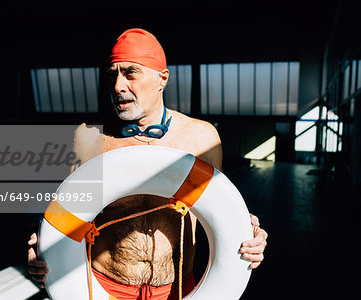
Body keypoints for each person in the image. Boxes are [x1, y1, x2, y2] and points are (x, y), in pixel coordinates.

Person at [28, 28, 268, 299]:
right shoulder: (88, 138)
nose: (118, 86)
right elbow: (66, 210)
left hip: (177, 289)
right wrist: (43, 243)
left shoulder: (201, 138)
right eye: (112, 74)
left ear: (162, 79)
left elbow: (223, 208)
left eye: (131, 72)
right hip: (104, 286)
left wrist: (250, 233)